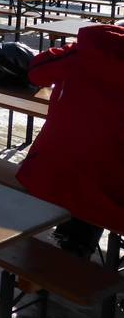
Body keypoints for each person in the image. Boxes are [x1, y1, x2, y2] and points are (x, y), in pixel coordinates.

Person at [16, 23, 124, 257]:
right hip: (102, 194)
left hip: (44, 175)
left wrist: (73, 50)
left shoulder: (83, 53)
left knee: (85, 163)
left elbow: (36, 71)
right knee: (100, 173)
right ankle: (75, 249)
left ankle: (70, 243)